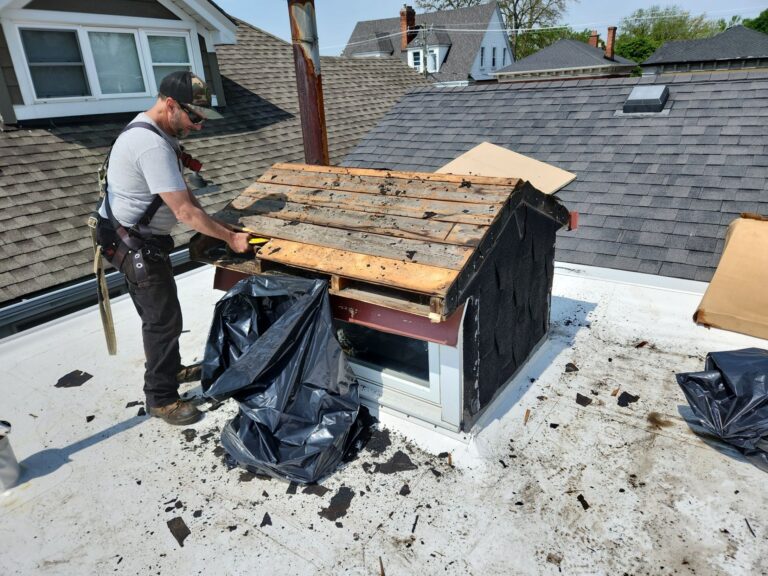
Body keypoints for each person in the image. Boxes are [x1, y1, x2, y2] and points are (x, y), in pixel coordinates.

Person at [96, 71, 251, 425]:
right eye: (194, 117)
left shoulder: (158, 133)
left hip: (131, 238)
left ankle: (172, 368)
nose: (198, 126)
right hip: (134, 245)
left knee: (163, 315)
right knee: (162, 321)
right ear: (170, 104)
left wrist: (215, 222)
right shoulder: (150, 144)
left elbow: (183, 194)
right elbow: (183, 212)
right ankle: (161, 398)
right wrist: (230, 238)